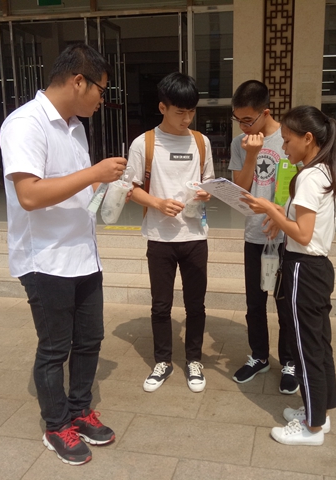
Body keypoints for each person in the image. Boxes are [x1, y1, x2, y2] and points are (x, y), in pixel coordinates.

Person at [0, 43, 127, 466]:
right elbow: (30, 195)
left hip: (82, 254)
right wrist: (94, 173)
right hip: (45, 259)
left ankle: (79, 410)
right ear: (78, 81)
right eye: (101, 90)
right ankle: (56, 425)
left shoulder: (75, 127)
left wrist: (105, 188)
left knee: (90, 339)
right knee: (55, 347)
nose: (102, 99)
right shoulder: (25, 124)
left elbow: (77, 187)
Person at [241, 105, 336, 446]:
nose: (284, 147)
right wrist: (277, 214)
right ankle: (319, 412)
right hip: (317, 267)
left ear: (308, 138)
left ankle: (312, 428)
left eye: (287, 140)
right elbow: (304, 226)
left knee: (306, 348)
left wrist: (269, 209)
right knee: (319, 344)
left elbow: (302, 233)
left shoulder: (310, 177)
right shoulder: (324, 171)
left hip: (305, 269)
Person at [127, 72, 214, 394]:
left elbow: (209, 182)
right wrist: (157, 203)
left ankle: (194, 360)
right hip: (160, 237)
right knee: (161, 306)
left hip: (195, 236)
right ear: (162, 108)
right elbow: (130, 187)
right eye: (180, 112)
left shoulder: (201, 142)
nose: (186, 119)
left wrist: (206, 193)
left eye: (191, 112)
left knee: (196, 305)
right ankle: (162, 360)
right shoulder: (144, 143)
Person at [228, 80, 297, 394]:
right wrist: (251, 155)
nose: (243, 126)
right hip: (255, 234)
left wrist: (282, 217)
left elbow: (300, 186)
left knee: (284, 304)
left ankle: (289, 362)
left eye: (248, 119)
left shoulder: (289, 138)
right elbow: (241, 189)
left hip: (286, 236)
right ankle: (259, 356)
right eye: (238, 119)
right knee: (254, 303)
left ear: (265, 113)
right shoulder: (240, 143)